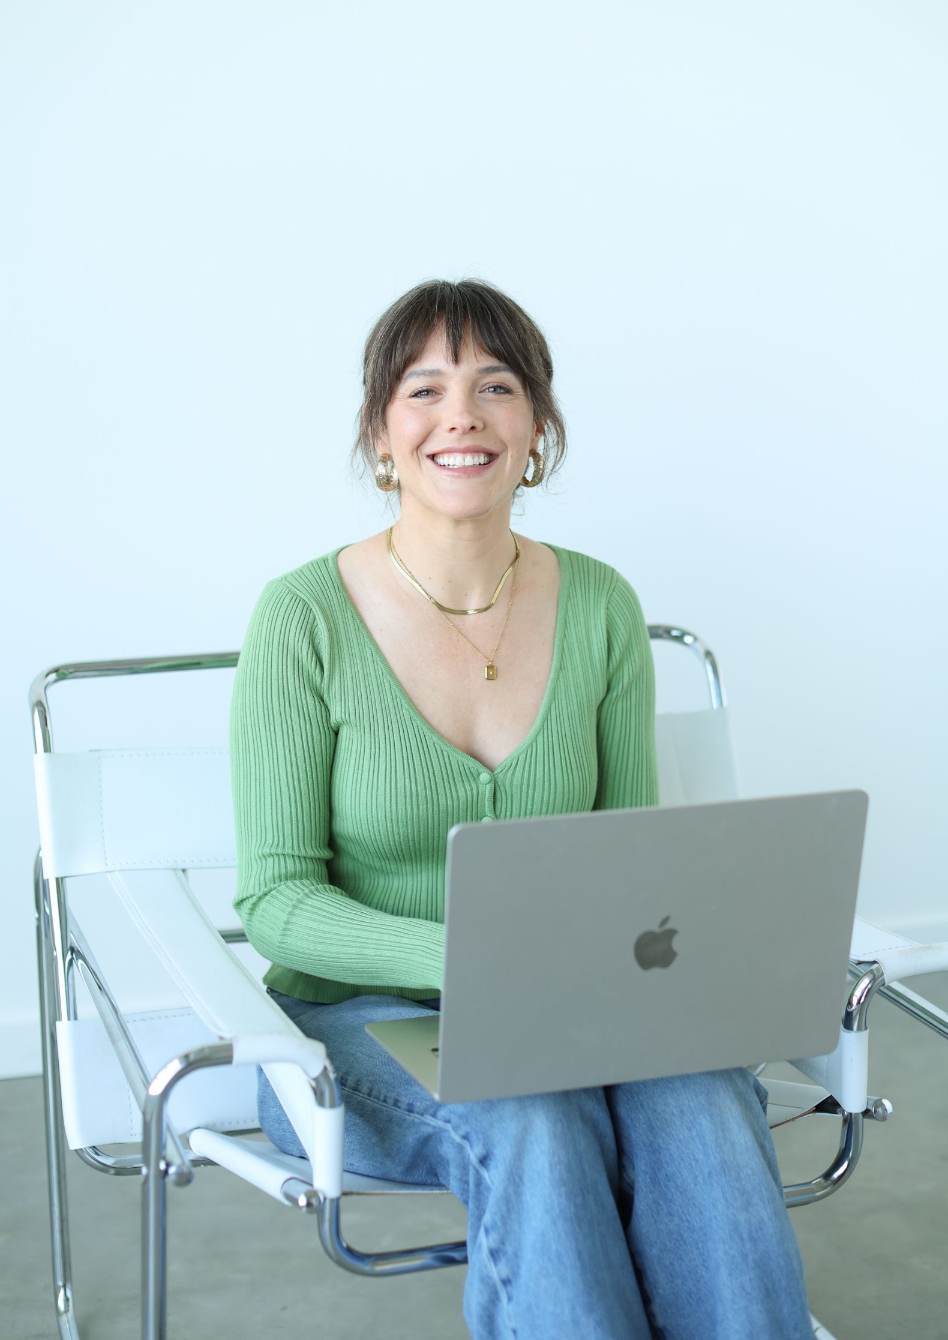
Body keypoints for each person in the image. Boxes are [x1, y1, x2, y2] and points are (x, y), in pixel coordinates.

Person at [228, 278, 815, 1339]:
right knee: (532, 1115)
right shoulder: (301, 617)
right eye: (425, 389)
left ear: (536, 427)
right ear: (381, 432)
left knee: (705, 1099)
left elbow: (639, 865)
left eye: (497, 386)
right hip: (358, 1018)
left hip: (575, 1004)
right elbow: (275, 901)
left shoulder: (599, 603)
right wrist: (478, 956)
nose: (462, 416)